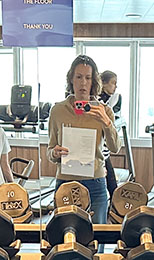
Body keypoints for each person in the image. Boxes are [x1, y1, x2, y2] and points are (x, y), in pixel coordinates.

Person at [48, 54, 119, 224]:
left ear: (94, 81)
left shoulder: (105, 111)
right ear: (71, 80)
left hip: (95, 183)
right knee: (65, 237)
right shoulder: (57, 110)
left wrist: (106, 122)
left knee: (97, 238)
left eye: (88, 78)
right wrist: (55, 153)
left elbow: (115, 147)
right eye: (79, 77)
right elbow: (50, 151)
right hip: (66, 182)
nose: (83, 83)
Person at [98, 70, 122, 197]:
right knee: (112, 187)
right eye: (113, 83)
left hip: (105, 153)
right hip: (99, 154)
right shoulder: (98, 100)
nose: (115, 86)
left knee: (113, 187)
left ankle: (114, 211)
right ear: (103, 83)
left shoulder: (109, 100)